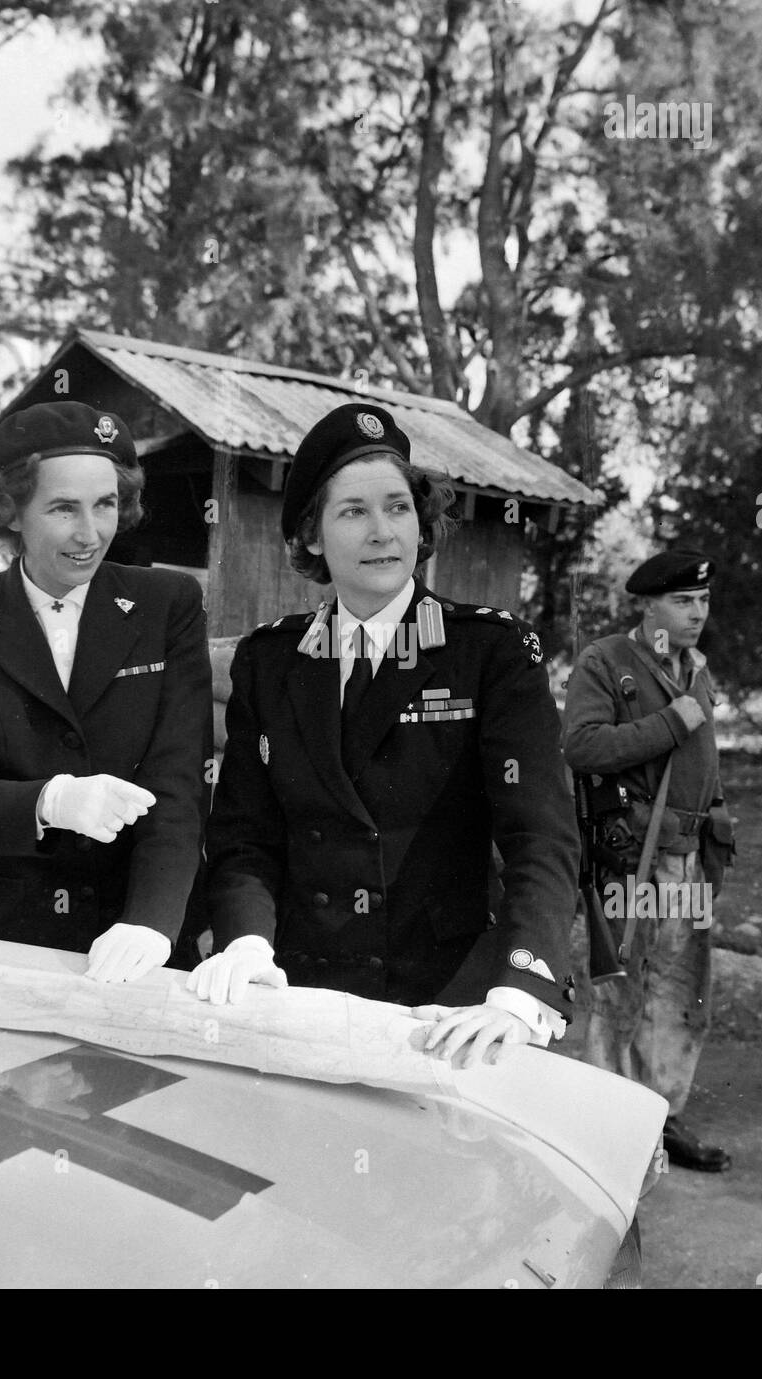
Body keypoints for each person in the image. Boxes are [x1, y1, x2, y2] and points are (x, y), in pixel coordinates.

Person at [189, 401, 579, 1069]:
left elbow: (538, 836)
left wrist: (518, 988)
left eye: (398, 508)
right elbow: (244, 838)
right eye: (353, 511)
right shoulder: (270, 661)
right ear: (311, 536)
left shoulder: (491, 651)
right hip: (300, 992)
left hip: (448, 1004)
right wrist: (246, 943)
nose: (382, 531)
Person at [0, 401, 212, 982]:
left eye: (105, 505)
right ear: (12, 511)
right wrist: (49, 802)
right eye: (63, 509)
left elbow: (179, 782)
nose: (90, 533)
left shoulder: (165, 606)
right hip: (9, 934)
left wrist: (151, 921)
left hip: (141, 936)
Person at [563, 548, 734, 1170]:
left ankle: (662, 1117)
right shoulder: (606, 661)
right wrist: (673, 719)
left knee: (683, 991)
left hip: (687, 860)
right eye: (684, 601)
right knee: (619, 991)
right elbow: (581, 745)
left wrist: (715, 841)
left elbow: (704, 765)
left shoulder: (697, 669)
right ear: (651, 604)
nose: (697, 613)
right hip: (629, 859)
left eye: (704, 601)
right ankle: (607, 1125)